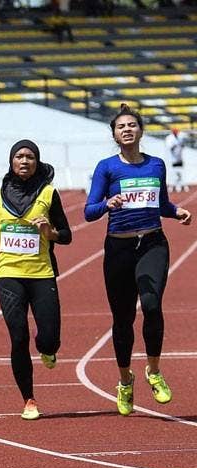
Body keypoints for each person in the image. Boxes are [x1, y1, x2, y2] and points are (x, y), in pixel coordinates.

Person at [84, 103, 192, 416]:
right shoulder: (107, 167)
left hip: (153, 243)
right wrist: (108, 203)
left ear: (141, 131)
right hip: (118, 249)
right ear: (115, 135)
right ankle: (124, 379)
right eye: (122, 126)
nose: (127, 129)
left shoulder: (157, 164)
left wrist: (177, 212)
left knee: (152, 304)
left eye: (133, 125)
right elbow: (89, 212)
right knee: (122, 319)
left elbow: (161, 204)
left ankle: (154, 371)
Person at [0, 140, 72, 420]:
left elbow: (67, 235)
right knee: (18, 336)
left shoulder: (49, 194)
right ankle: (29, 399)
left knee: (49, 339)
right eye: (19, 156)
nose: (24, 161)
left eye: (30, 157)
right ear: (11, 161)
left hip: (41, 274)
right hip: (8, 274)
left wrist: (50, 234)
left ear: (37, 162)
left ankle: (47, 350)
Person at [165, 127, 189, 192]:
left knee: (181, 173)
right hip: (172, 159)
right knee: (173, 173)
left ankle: (181, 186)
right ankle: (171, 187)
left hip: (180, 158)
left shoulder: (180, 137)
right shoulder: (169, 138)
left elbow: (184, 143)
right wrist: (176, 144)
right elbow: (170, 147)